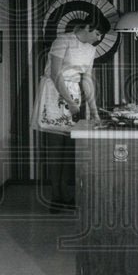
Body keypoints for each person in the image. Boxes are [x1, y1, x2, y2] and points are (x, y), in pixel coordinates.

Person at [31, 15, 109, 211]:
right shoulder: (63, 40)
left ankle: (66, 196)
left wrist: (94, 110)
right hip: (54, 93)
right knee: (56, 148)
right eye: (98, 33)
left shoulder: (91, 49)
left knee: (70, 150)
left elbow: (87, 80)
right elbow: (56, 74)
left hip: (73, 95)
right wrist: (69, 102)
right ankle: (56, 198)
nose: (98, 38)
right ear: (89, 27)